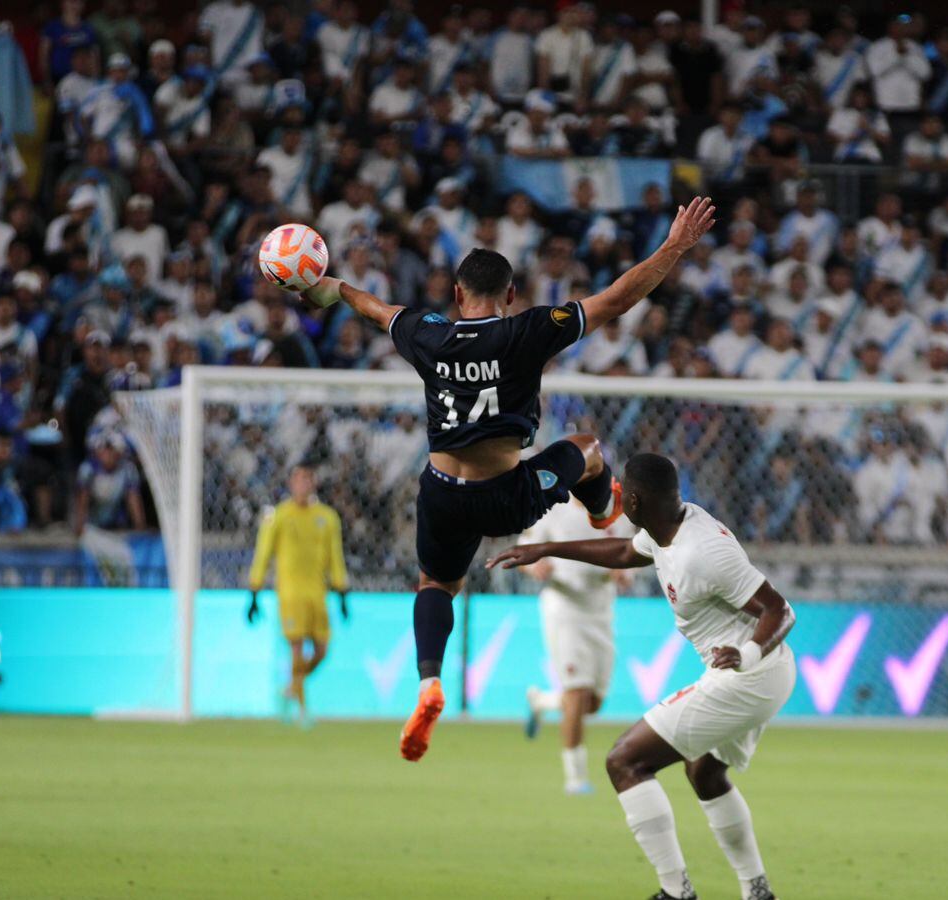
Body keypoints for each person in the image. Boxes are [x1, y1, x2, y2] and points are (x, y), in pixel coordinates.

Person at [286, 196, 717, 762]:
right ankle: (600, 511)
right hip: (507, 496)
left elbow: (373, 307)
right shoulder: (528, 331)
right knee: (587, 448)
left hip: (442, 493)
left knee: (435, 586)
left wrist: (329, 287)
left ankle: (428, 683)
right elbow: (617, 298)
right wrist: (674, 247)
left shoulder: (427, 334)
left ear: (457, 294)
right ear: (511, 295)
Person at [487, 453, 795, 900]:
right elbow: (623, 552)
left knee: (625, 761)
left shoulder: (703, 552)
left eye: (621, 490)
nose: (615, 495)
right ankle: (757, 891)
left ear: (634, 500)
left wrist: (746, 654)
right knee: (705, 773)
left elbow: (779, 610)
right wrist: (546, 548)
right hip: (758, 674)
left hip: (748, 674)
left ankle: (676, 892)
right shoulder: (665, 527)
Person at [519, 495, 632, 794]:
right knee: (577, 692)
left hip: (601, 609)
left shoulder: (618, 513)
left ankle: (540, 702)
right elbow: (524, 549)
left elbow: (632, 554)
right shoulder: (553, 509)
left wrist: (625, 572)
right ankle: (576, 779)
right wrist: (534, 567)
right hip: (564, 605)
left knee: (592, 703)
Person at [247, 463, 349, 726]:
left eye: (307, 479)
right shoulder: (278, 516)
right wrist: (254, 592)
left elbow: (335, 556)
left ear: (313, 483)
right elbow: (263, 553)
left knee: (322, 650)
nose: (303, 485)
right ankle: (302, 711)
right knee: (297, 649)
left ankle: (292, 687)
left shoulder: (327, 517)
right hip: (290, 592)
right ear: (291, 484)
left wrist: (342, 592)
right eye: (298, 480)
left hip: (317, 593)